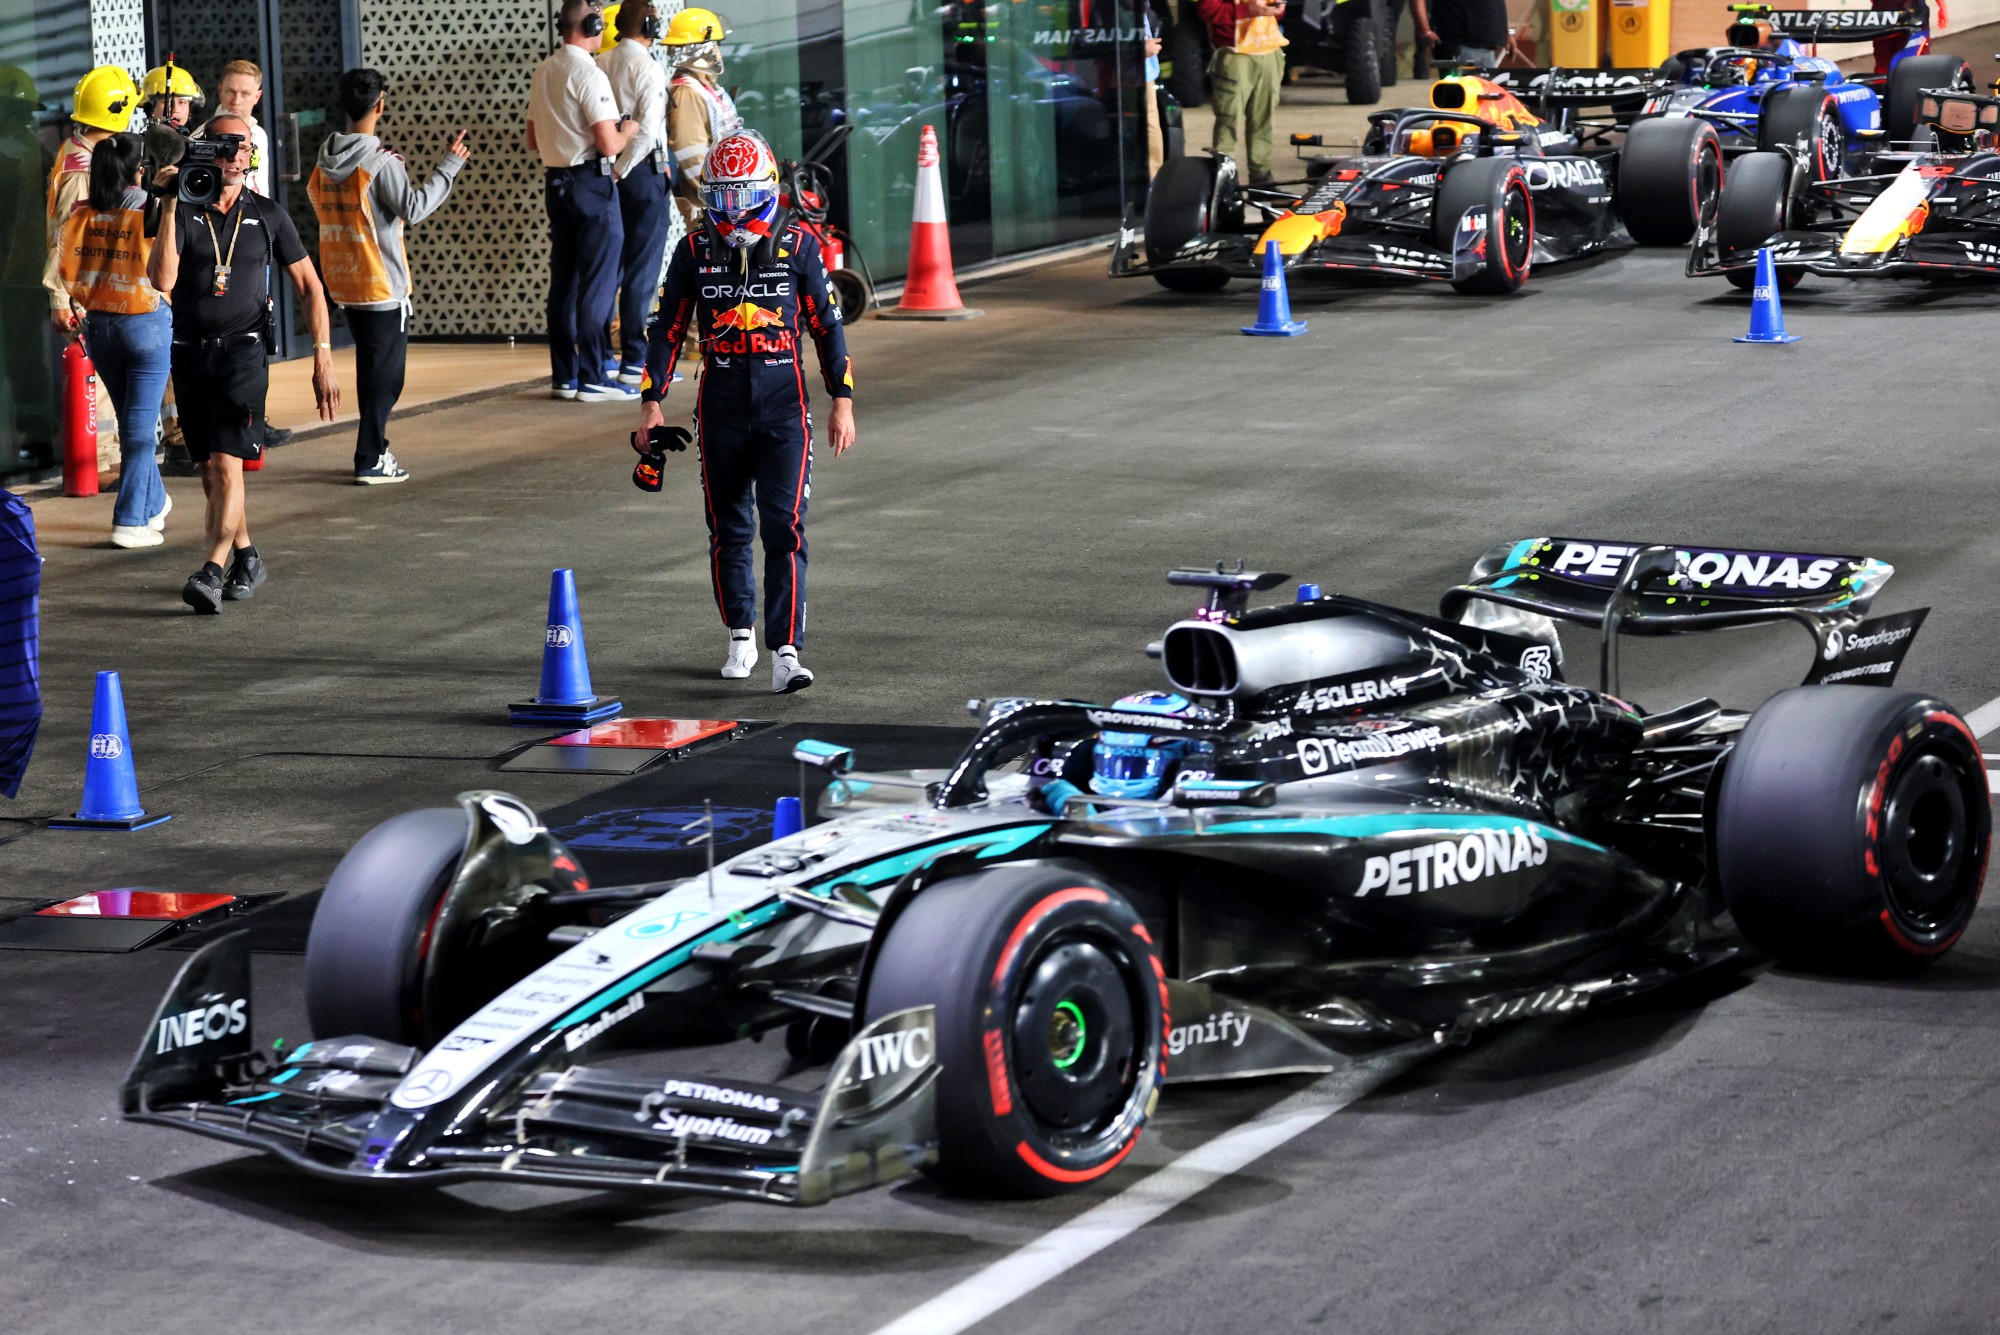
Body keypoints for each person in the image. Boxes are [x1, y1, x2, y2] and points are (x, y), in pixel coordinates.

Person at [636, 130, 855, 693]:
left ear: (766, 191)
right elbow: (665, 328)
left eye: (742, 197)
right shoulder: (692, 251)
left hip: (786, 405)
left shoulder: (801, 246)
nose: (731, 211)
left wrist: (843, 401)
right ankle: (740, 634)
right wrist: (652, 402)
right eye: (722, 198)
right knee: (729, 527)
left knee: (784, 526)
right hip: (721, 406)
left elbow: (829, 326)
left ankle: (785, 650)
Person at [147, 113, 339, 613]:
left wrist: (322, 355)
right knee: (211, 470)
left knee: (229, 464)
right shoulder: (182, 207)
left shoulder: (268, 214)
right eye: (227, 145)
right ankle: (248, 554)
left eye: (245, 145)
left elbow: (310, 287)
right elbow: (161, 280)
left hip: (244, 356)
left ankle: (211, 569)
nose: (237, 154)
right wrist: (168, 205)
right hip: (190, 357)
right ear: (205, 149)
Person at [309, 68, 470, 485]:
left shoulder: (323, 161)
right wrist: (448, 167)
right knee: (386, 377)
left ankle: (375, 449)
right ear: (380, 105)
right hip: (381, 284)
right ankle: (370, 456)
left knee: (371, 369)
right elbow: (413, 208)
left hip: (344, 280)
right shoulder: (381, 162)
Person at [45, 132, 171, 548]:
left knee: (130, 417)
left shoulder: (83, 213)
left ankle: (153, 504)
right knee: (138, 428)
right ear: (139, 170)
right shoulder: (151, 209)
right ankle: (130, 520)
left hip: (99, 326)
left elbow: (66, 269)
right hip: (145, 321)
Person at [526, 0, 641, 403]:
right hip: (590, 183)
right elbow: (609, 142)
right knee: (598, 281)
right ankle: (594, 377)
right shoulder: (587, 73)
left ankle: (566, 376)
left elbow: (532, 138)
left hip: (556, 182)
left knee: (565, 281)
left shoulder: (544, 70)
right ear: (592, 25)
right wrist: (629, 129)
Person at [598, 0, 672, 386]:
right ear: (648, 27)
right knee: (642, 269)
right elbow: (646, 129)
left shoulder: (601, 62)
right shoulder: (647, 66)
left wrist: (611, 170)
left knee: (611, 266)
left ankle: (605, 356)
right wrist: (622, 169)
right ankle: (634, 359)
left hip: (608, 173)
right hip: (640, 172)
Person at [141, 60, 203, 470]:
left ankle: (189, 432)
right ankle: (177, 439)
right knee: (164, 354)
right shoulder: (141, 149)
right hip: (151, 263)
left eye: (184, 102)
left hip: (190, 259)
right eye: (171, 101)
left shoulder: (195, 146)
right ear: (152, 105)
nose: (178, 109)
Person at [45, 67, 138, 337]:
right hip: (87, 297)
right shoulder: (85, 170)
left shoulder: (77, 147)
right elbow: (66, 235)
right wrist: (61, 299)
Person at [663, 7, 741, 230]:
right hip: (711, 207)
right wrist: (719, 200)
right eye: (713, 44)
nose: (717, 51)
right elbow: (691, 154)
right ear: (698, 50)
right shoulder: (687, 92)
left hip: (727, 197)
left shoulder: (706, 88)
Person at [1196, 0, 1288, 185]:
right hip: (1235, 55)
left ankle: (1261, 179)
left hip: (1269, 53)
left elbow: (1275, 13)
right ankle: (1223, 183)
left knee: (1264, 119)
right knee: (1228, 119)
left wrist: (1277, 8)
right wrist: (1245, 10)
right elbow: (1207, 10)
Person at [1410, 0, 1510, 70]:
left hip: (1487, 47)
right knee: (1461, 97)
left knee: (1485, 97)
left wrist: (1507, 32)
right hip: (1459, 43)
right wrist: (1425, 30)